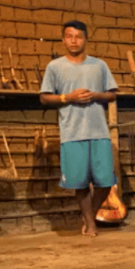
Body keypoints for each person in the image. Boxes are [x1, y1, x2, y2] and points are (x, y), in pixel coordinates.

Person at [40, 21, 118, 237]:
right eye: (69, 36)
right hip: (72, 133)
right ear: (63, 39)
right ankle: (91, 225)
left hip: (99, 131)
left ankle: (89, 217)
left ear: (86, 39)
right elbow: (45, 98)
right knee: (80, 182)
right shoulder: (54, 67)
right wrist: (69, 97)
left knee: (105, 181)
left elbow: (112, 94)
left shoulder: (99, 65)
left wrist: (94, 95)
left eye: (78, 36)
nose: (74, 40)